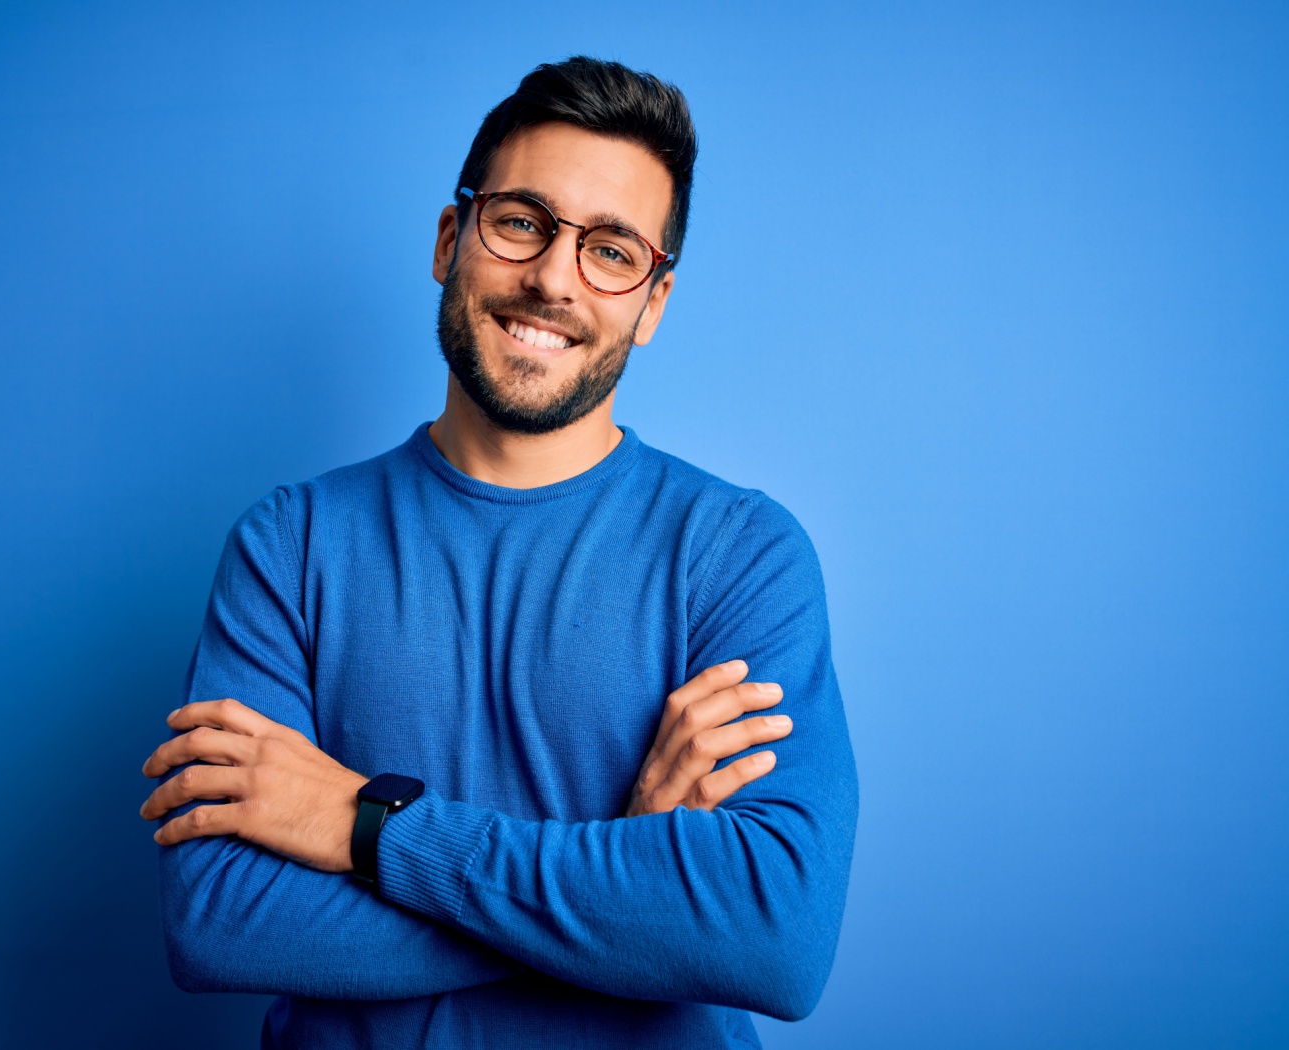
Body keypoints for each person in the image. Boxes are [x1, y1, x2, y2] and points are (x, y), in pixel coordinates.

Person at [139, 56, 858, 1049]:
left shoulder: (740, 554)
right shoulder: (289, 542)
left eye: (611, 251)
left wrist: (366, 826)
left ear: (651, 303)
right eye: (521, 221)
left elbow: (771, 939)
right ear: (451, 238)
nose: (553, 277)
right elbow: (218, 920)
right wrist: (623, 880)